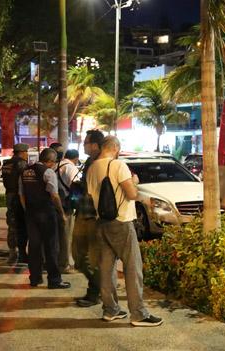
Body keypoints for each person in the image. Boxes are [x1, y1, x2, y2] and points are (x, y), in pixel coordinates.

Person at [86, 136, 162, 327]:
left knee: (106, 267)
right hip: (121, 221)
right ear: (115, 148)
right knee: (133, 266)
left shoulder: (92, 167)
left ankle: (110, 310)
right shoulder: (118, 165)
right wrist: (134, 181)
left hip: (101, 222)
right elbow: (132, 194)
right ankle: (138, 314)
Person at [19, 148, 71, 289]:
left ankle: (35, 279)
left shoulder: (25, 171)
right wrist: (61, 213)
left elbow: (21, 194)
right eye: (54, 162)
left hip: (31, 214)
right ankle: (54, 280)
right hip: (46, 213)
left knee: (34, 246)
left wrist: (27, 210)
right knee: (51, 247)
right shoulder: (48, 172)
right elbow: (54, 195)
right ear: (50, 161)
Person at [73, 130, 105, 307]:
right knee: (78, 256)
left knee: (91, 258)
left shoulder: (101, 163)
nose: (84, 145)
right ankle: (97, 290)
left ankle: (95, 292)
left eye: (86, 142)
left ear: (94, 145)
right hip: (83, 212)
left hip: (94, 217)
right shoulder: (89, 162)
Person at [51, 143, 80, 274]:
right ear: (76, 158)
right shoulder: (71, 167)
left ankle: (54, 262)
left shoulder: (55, 166)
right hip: (66, 206)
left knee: (56, 236)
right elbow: (76, 186)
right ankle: (65, 265)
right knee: (66, 236)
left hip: (54, 204)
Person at [1, 143, 29, 264]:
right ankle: (22, 254)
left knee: (12, 224)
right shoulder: (21, 163)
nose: (27, 155)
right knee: (22, 225)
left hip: (9, 195)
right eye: (26, 152)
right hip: (18, 196)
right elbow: (25, 181)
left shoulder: (7, 163)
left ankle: (12, 252)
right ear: (22, 152)